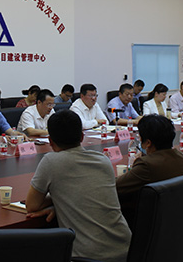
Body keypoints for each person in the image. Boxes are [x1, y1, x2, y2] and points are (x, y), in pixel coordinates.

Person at [26, 110, 131, 262]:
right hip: (127, 249)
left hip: (88, 257)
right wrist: (62, 200)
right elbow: (87, 192)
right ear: (82, 137)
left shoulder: (51, 162)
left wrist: (58, 199)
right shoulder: (103, 160)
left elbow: (31, 205)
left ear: (50, 141)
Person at [116, 114, 183, 225]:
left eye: (140, 139)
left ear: (148, 143)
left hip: (152, 222)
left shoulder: (146, 165)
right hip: (180, 220)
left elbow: (116, 186)